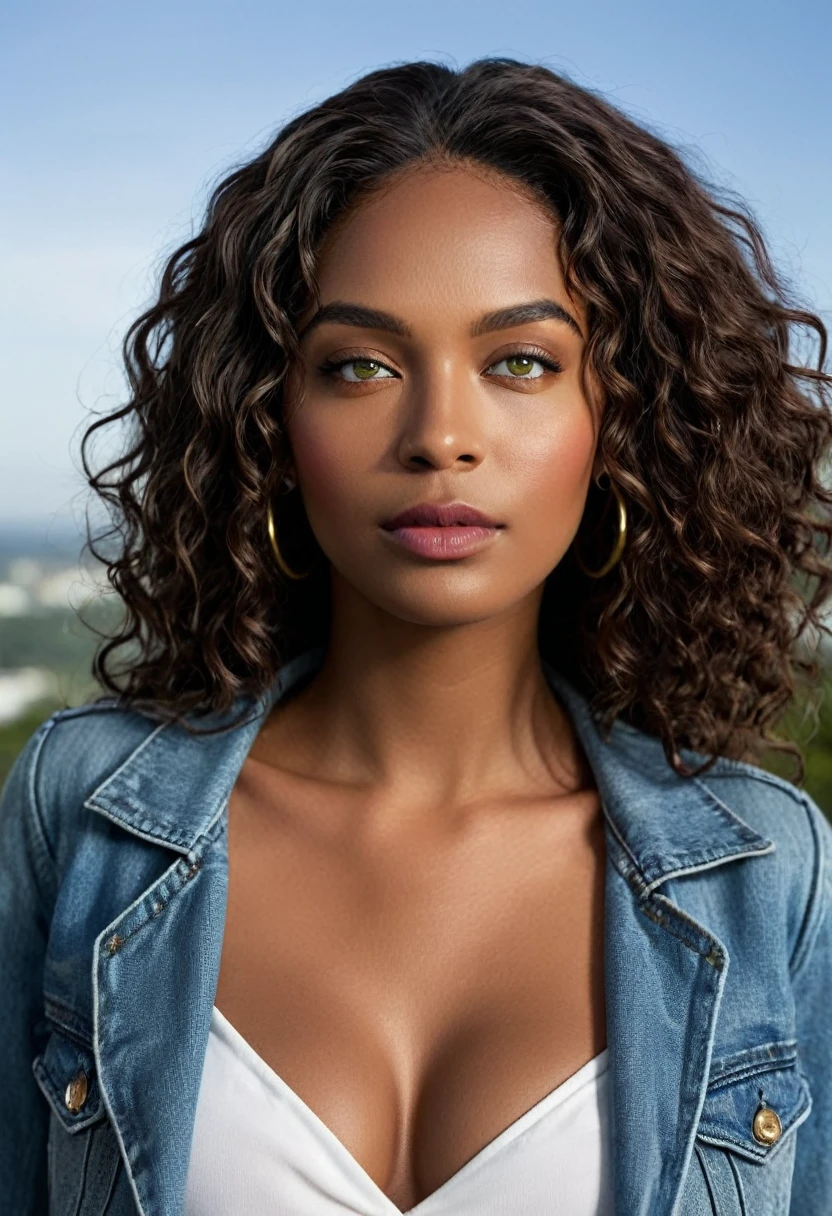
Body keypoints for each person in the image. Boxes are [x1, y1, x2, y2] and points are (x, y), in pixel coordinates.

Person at [2, 57, 831, 1216]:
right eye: (361, 365)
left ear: (621, 420)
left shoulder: (765, 872)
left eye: (522, 362)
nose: (441, 432)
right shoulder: (82, 815)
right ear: (270, 419)